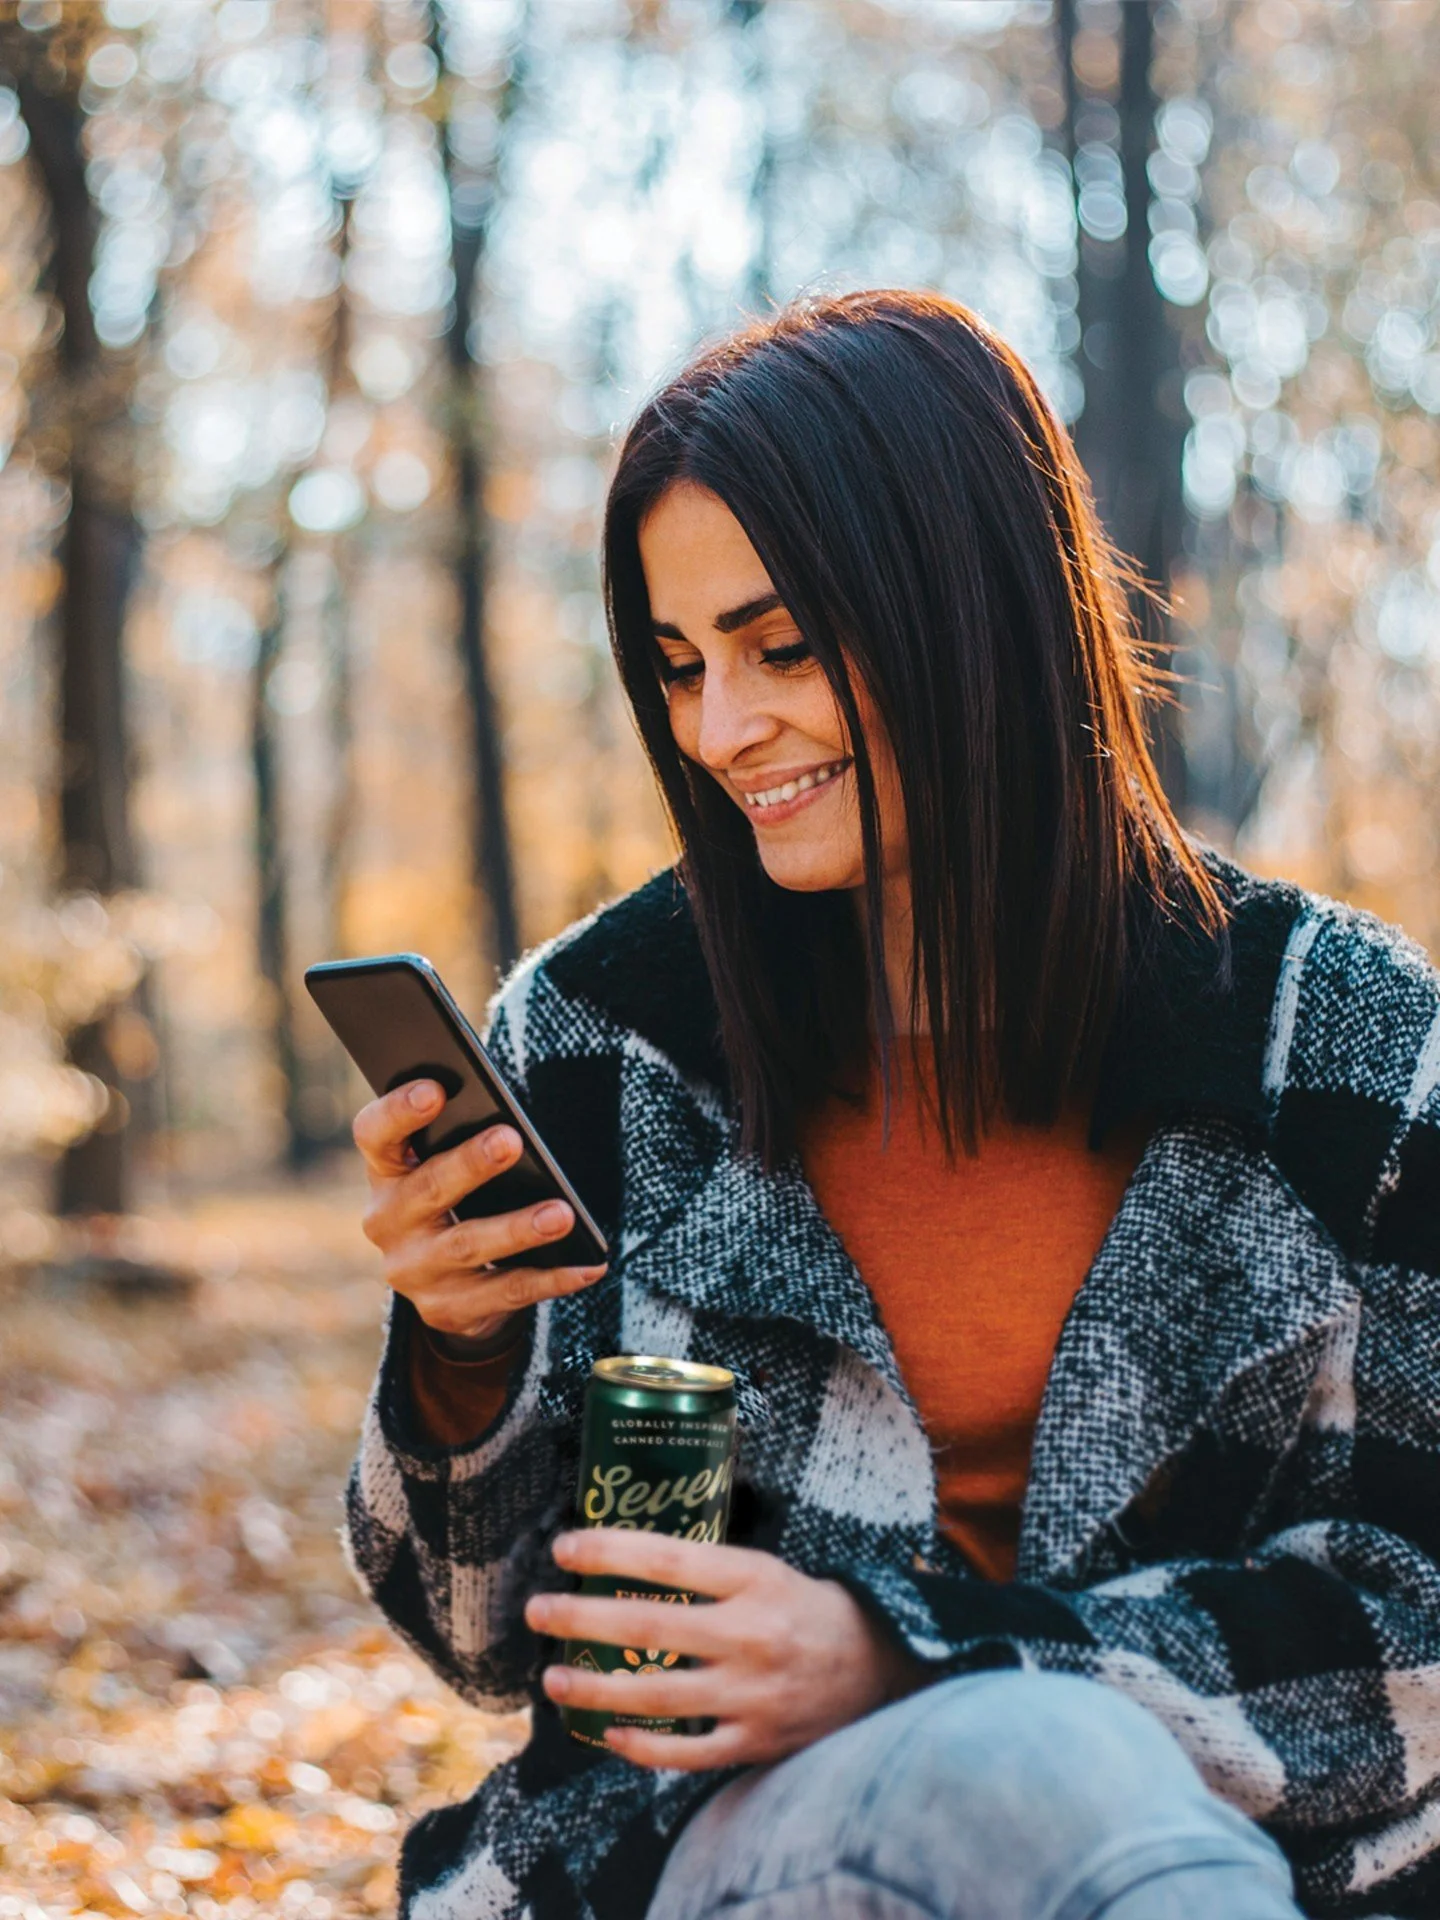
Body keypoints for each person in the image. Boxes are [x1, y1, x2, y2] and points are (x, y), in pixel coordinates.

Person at [344, 292, 1440, 1920]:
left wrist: (906, 1657)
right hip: (729, 1858)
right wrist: (459, 1357)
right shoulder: (605, 1037)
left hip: (1260, 1853)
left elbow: (1418, 1632)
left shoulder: (1339, 1040)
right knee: (1025, 1774)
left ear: (977, 611)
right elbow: (496, 1644)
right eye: (681, 664)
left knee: (1051, 1771)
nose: (725, 729)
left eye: (783, 646)